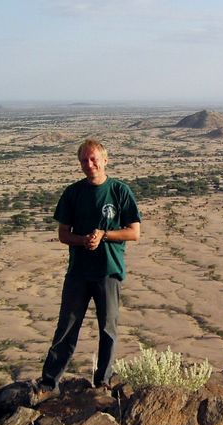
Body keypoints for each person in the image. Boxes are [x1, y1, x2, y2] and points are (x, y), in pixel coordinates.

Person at [34, 139, 141, 402]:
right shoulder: (72, 193)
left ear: (106, 160)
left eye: (93, 159)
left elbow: (134, 232)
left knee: (108, 329)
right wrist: (83, 240)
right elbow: (63, 234)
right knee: (67, 327)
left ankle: (103, 382)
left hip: (108, 270)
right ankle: (49, 382)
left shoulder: (119, 191)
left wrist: (104, 235)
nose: (89, 164)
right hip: (79, 272)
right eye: (84, 160)